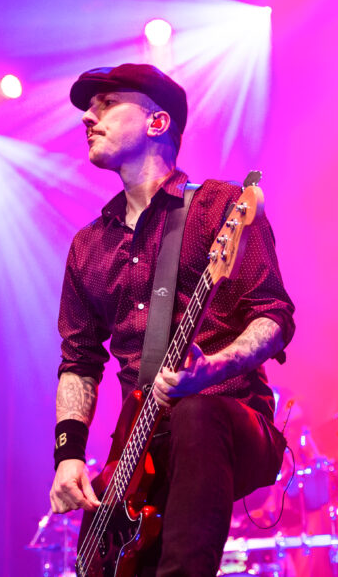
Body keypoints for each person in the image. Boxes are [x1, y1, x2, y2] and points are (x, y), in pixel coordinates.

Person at [48, 63, 295, 576]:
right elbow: (79, 361)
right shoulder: (88, 246)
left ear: (157, 123)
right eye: (87, 113)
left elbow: (272, 315)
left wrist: (215, 368)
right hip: (138, 447)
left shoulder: (219, 207)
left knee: (195, 412)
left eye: (107, 106)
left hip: (230, 418)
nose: (89, 120)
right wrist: (69, 456)